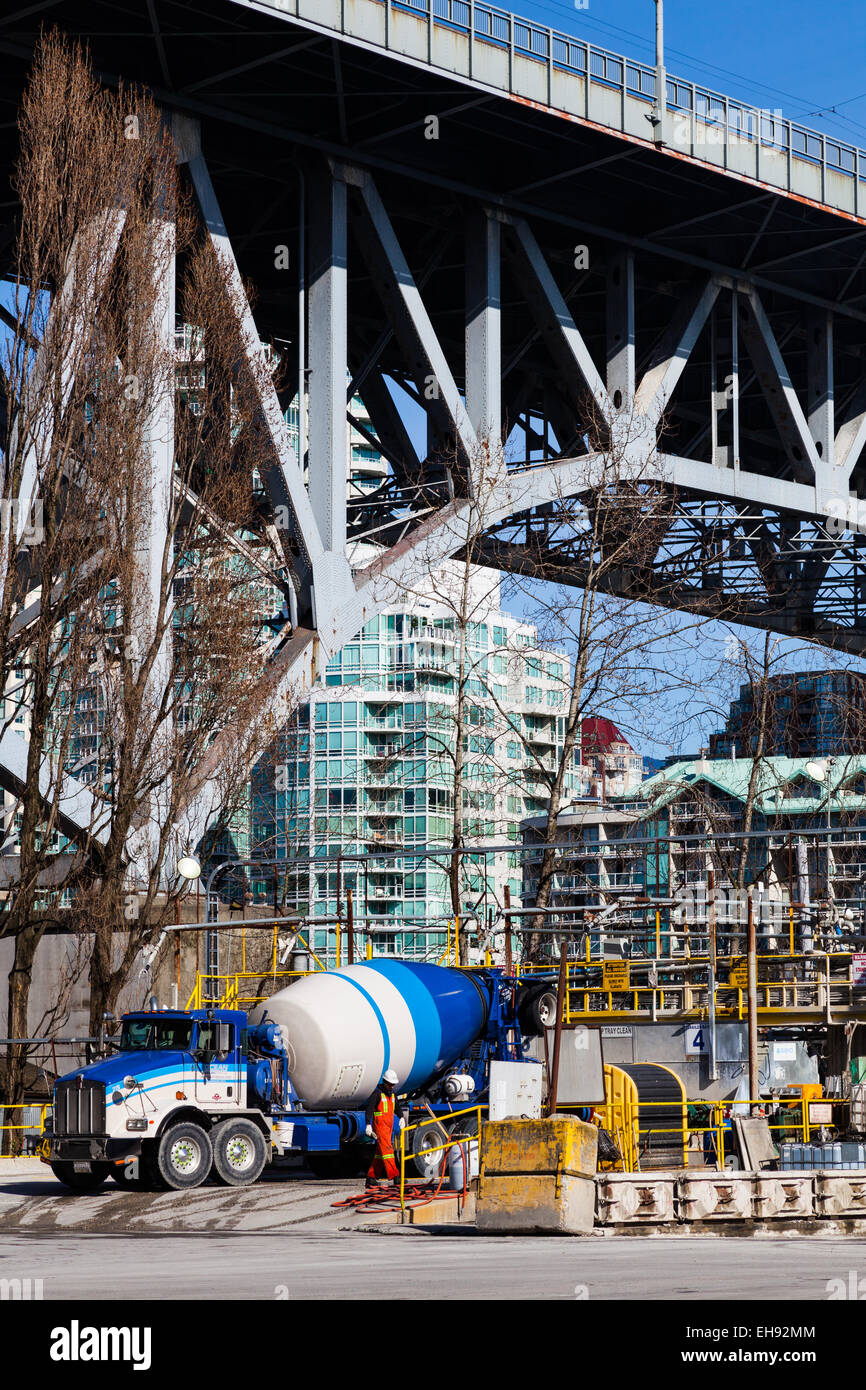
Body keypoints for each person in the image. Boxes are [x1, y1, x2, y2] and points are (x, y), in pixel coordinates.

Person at [365, 1068, 405, 1189]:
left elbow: (397, 1107)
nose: (392, 1086)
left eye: (393, 1084)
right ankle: (395, 1176)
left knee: (380, 1154)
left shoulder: (392, 1095)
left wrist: (401, 1117)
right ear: (385, 1082)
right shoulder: (377, 1094)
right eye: (390, 1084)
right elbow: (369, 1109)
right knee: (388, 1151)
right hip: (380, 1128)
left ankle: (371, 1177)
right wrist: (368, 1125)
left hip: (388, 1128)